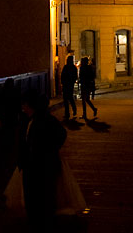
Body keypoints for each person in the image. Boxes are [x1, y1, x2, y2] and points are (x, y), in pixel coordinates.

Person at [15, 91, 65, 230]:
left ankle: (40, 221)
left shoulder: (39, 121)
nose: (23, 108)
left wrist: (46, 151)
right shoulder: (34, 120)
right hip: (38, 165)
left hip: (38, 166)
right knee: (40, 196)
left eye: (25, 105)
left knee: (39, 196)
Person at [58, 56, 79, 121]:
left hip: (66, 85)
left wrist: (62, 83)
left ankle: (67, 113)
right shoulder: (73, 68)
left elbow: (62, 75)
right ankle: (74, 110)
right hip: (70, 85)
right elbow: (75, 76)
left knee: (66, 99)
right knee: (70, 98)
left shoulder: (66, 67)